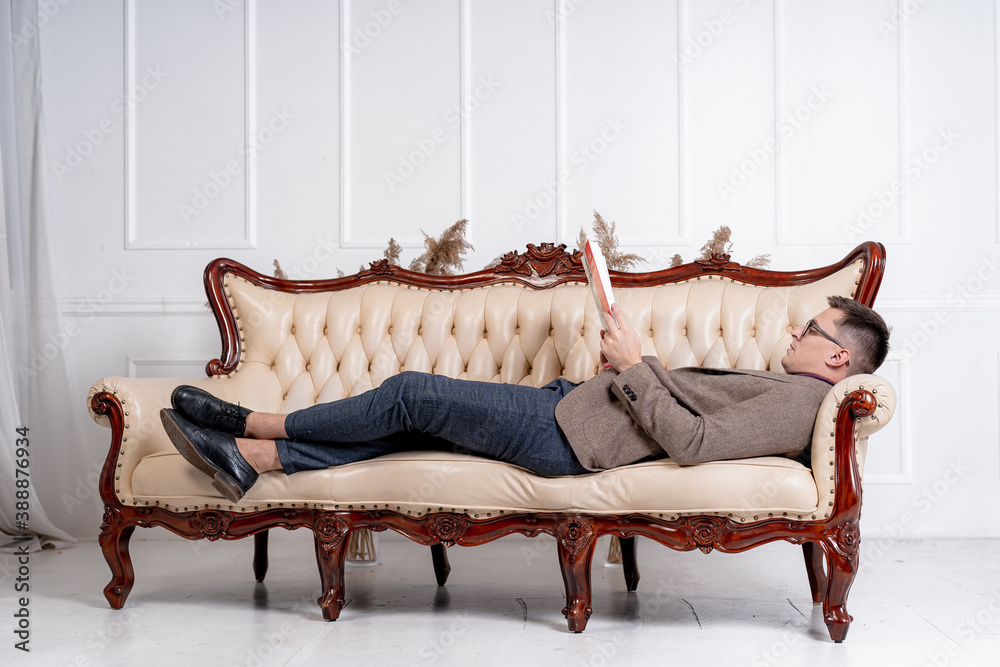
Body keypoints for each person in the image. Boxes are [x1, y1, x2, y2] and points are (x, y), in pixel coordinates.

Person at [160, 295, 890, 503]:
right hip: (572, 409)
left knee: (412, 391)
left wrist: (635, 367)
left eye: (811, 328)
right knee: (420, 424)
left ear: (836, 355)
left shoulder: (802, 405)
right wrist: (637, 360)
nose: (796, 332)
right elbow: (694, 416)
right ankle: (255, 457)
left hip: (567, 435)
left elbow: (692, 443)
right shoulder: (795, 391)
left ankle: (253, 421)